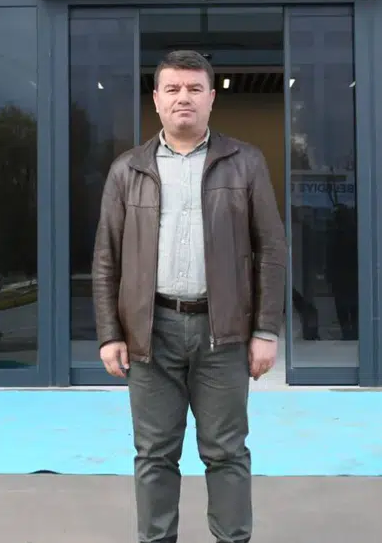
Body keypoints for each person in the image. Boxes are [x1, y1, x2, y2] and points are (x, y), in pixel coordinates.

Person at [92, 49, 287, 543]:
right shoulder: (127, 169)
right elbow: (106, 259)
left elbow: (271, 250)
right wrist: (110, 334)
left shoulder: (245, 162)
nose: (184, 97)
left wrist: (265, 330)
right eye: (173, 89)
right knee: (154, 454)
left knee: (226, 452)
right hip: (150, 333)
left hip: (223, 334)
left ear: (211, 98)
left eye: (195, 88)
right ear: (157, 100)